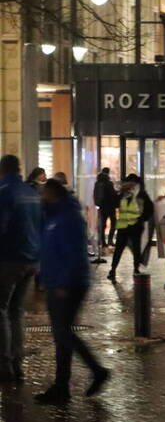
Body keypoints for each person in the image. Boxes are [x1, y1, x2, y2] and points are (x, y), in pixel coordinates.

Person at [34, 179, 109, 405]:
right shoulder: (53, 216)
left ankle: (95, 371)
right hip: (56, 282)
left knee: (64, 333)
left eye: (43, 193)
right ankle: (62, 386)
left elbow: (74, 254)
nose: (40, 197)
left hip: (68, 284)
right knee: (62, 336)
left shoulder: (68, 218)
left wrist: (64, 284)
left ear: (53, 194)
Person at [0, 155, 42, 382]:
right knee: (16, 311)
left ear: (2, 170)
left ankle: (5, 365)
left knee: (1, 310)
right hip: (31, 260)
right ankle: (18, 362)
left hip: (8, 259)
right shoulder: (32, 193)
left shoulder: (4, 191)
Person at [108, 174, 153, 281]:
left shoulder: (141, 195)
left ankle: (136, 269)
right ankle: (113, 270)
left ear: (135, 183)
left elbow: (149, 209)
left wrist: (141, 219)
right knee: (118, 249)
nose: (128, 184)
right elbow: (114, 204)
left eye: (130, 182)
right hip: (123, 226)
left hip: (136, 227)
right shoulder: (123, 194)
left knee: (136, 249)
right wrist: (119, 192)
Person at [93, 167, 118, 248]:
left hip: (101, 207)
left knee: (102, 225)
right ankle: (110, 240)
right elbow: (112, 195)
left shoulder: (97, 183)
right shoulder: (109, 183)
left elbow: (95, 194)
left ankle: (103, 242)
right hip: (110, 207)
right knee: (113, 223)